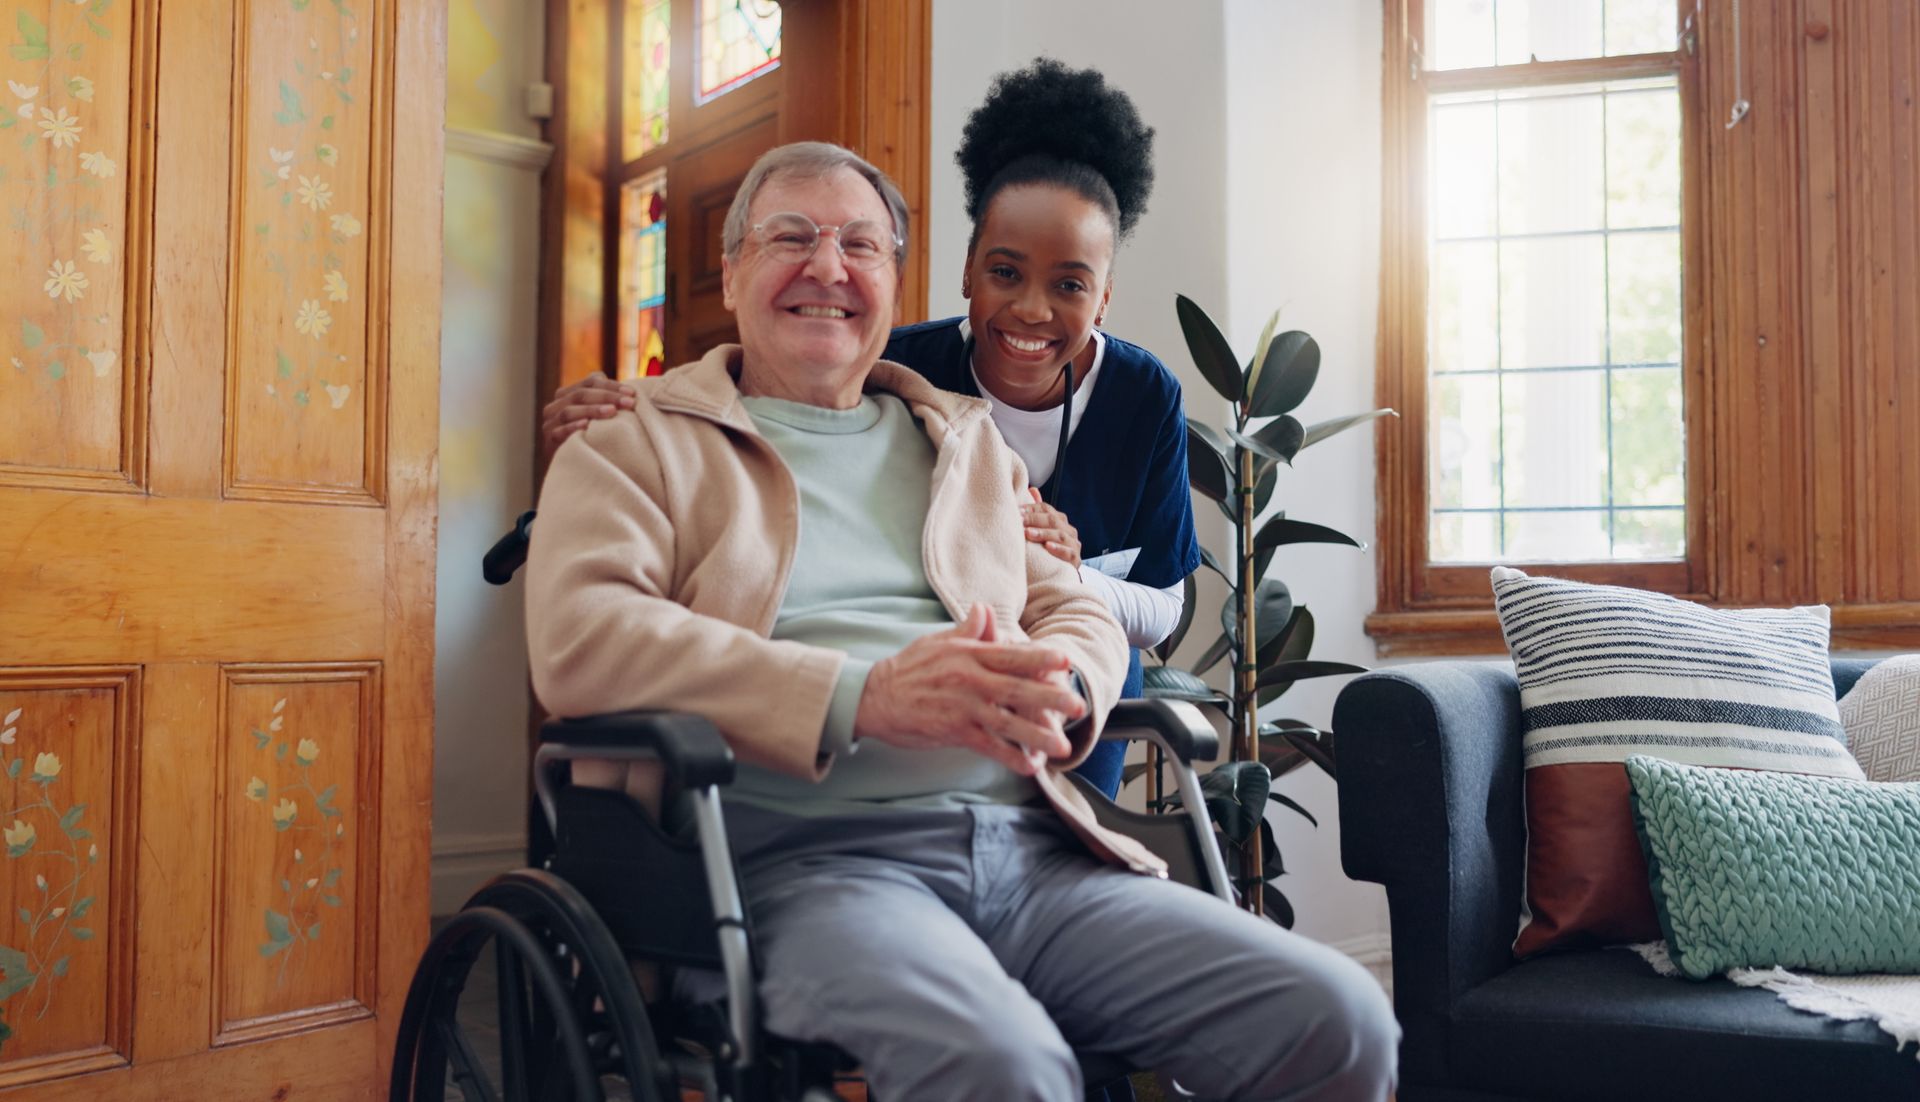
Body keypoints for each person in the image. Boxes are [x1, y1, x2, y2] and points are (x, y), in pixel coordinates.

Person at [525, 139, 1398, 1101]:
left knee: (1338, 1018)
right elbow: (584, 637)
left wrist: (1065, 678)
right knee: (1005, 1070)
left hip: (1032, 852)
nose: (828, 266)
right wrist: (864, 695)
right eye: (791, 237)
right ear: (731, 271)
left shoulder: (959, 446)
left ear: (895, 283)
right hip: (792, 866)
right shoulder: (629, 446)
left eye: (862, 244)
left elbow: (1071, 601)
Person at [543, 59, 1200, 802]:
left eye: (859, 246)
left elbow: (1135, 604)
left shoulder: (1088, 409)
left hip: (1028, 733)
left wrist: (1035, 585)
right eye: (1006, 273)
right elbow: (776, 376)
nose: (1032, 310)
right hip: (818, 803)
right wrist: (647, 406)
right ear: (966, 272)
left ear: (1104, 298)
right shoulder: (895, 367)